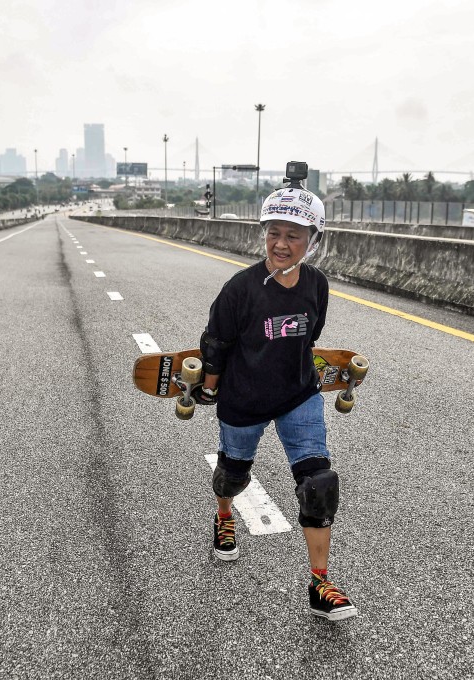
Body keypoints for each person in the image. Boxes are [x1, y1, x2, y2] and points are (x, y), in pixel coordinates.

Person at [192, 169, 358, 621]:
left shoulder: (316, 285)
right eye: (274, 233)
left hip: (298, 395)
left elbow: (310, 338)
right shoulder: (240, 289)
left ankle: (320, 583)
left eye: (293, 236)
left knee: (319, 484)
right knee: (232, 475)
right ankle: (225, 514)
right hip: (243, 397)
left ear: (313, 240)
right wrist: (209, 387)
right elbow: (216, 342)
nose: (281, 244)